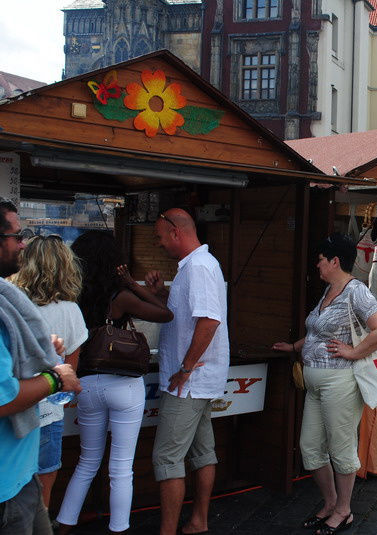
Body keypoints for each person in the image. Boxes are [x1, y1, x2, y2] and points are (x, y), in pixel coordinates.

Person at [272, 233, 377, 535]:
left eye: (321, 260)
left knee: (340, 449)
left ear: (335, 261)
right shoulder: (329, 291)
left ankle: (344, 510)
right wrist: (294, 347)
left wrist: (353, 352)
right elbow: (317, 334)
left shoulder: (356, 292)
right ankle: (329, 503)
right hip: (315, 384)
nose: (317, 265)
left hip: (341, 382)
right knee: (310, 448)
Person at [56, 230, 173, 534]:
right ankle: (118, 528)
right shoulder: (119, 296)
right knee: (121, 469)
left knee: (86, 462)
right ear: (113, 262)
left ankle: (64, 523)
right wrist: (133, 284)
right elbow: (165, 313)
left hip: (87, 384)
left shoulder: (72, 296)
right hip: (123, 385)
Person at [0, 199, 82, 535]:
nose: (22, 244)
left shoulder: (10, 299)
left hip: (20, 475)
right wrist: (55, 376)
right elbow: (3, 399)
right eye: (16, 236)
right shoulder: (69, 310)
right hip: (7, 489)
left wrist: (42, 351)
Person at [146, 209, 228, 535]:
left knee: (166, 459)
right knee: (202, 452)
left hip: (189, 382)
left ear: (176, 233)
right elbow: (194, 314)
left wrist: (185, 368)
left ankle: (171, 530)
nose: (160, 242)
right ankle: (199, 521)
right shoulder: (196, 267)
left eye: (160, 236)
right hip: (197, 380)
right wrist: (161, 293)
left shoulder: (198, 267)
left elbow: (209, 321)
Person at [11, 235, 88, 511]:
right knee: (44, 476)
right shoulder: (71, 311)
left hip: (11, 406)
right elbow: (70, 374)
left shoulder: (11, 305)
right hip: (48, 413)